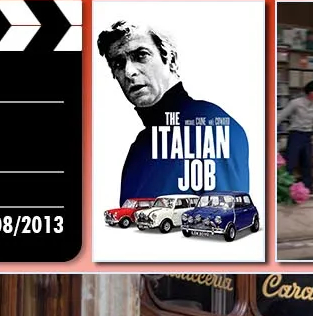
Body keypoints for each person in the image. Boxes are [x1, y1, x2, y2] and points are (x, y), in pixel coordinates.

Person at [99, 20, 251, 203]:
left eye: (141, 55)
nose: (129, 72)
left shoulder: (210, 126)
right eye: (118, 64)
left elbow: (225, 215)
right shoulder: (139, 148)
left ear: (171, 60)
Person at [277, 80, 313, 189]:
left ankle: (306, 190)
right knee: (291, 163)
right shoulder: (295, 103)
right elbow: (280, 117)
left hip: (307, 136)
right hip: (296, 135)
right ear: (311, 92)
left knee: (307, 163)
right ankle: (285, 188)